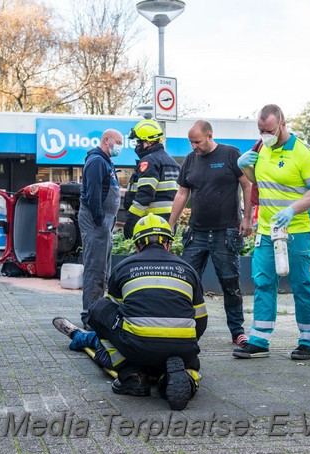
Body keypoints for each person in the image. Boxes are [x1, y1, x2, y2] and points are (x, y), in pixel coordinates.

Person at [53, 214, 207, 411]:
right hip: (182, 349)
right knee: (192, 362)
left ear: (137, 246)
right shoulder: (188, 269)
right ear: (168, 244)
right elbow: (201, 322)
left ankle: (131, 375)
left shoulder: (125, 266)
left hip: (137, 350)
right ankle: (186, 376)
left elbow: (113, 313)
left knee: (100, 309)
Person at [234, 104, 310, 360]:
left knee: (301, 285)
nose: (265, 135)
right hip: (266, 231)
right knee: (263, 282)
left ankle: (309, 340)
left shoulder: (304, 153)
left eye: (269, 130)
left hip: (296, 231)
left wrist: (292, 210)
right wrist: (245, 167)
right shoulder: (261, 148)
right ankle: (259, 340)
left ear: (283, 125)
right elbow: (259, 182)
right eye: (261, 130)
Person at [168, 120, 252, 348]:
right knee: (185, 282)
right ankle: (183, 328)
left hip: (226, 232)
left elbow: (247, 185)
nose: (194, 146)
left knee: (230, 284)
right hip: (197, 233)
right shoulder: (190, 160)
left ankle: (237, 332)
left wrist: (247, 217)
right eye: (191, 142)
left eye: (197, 142)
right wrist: (171, 224)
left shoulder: (230, 154)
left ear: (209, 136)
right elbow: (182, 193)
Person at [78, 129, 124, 329]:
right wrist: (100, 221)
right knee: (95, 270)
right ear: (107, 140)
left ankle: (97, 313)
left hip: (105, 223)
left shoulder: (106, 162)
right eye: (119, 142)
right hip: (97, 222)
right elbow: (93, 194)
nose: (121, 146)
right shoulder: (97, 161)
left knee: (102, 271)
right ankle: (90, 317)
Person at [123, 119, 180, 238]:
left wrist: (131, 221)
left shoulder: (149, 161)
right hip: (168, 223)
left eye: (139, 142)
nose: (137, 146)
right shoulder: (173, 162)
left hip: (150, 224)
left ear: (148, 142)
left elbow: (145, 195)